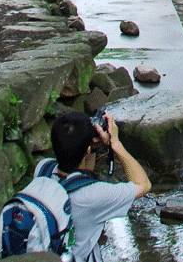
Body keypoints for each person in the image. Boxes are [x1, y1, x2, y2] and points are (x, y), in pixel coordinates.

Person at [43, 110, 151, 262]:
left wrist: (90, 147)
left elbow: (80, 176)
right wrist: (115, 144)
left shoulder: (43, 169)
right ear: (87, 149)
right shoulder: (94, 195)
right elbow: (143, 184)